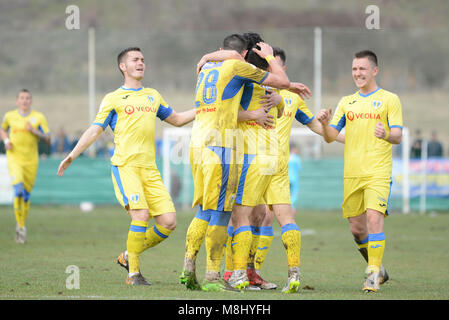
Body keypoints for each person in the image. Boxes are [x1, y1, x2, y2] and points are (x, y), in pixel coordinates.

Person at [57, 47, 196, 286]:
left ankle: (126, 256)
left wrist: (207, 108)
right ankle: (133, 275)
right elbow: (94, 130)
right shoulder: (113, 98)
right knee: (140, 215)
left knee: (169, 222)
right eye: (135, 59)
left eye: (143, 59)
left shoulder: (153, 95)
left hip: (150, 170)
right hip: (126, 167)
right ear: (123, 66)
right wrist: (72, 155)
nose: (141, 62)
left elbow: (178, 119)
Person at [179, 34, 291, 292]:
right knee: (222, 212)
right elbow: (282, 81)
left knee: (204, 210)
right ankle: (212, 278)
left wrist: (207, 55)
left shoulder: (207, 67)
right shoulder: (239, 66)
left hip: (197, 141)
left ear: (221, 50)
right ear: (244, 55)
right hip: (221, 143)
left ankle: (188, 267)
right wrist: (270, 56)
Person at [316, 50, 402, 293]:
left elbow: (398, 135)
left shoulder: (389, 99)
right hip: (352, 173)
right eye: (354, 69)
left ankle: (373, 275)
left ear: (375, 70)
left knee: (375, 220)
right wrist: (324, 124)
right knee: (357, 229)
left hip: (378, 172)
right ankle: (379, 268)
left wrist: (385, 133)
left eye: (362, 69)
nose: (358, 73)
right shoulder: (346, 102)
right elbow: (330, 137)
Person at [1, 89, 51, 244]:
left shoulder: (38, 117)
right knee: (19, 191)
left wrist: (35, 131)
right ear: (17, 101)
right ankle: (21, 227)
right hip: (15, 159)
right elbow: (2, 129)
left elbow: (48, 139)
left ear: (31, 101)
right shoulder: (10, 116)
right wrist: (6, 141)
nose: (25, 100)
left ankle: (21, 223)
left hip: (31, 161)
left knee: (27, 196)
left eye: (27, 98)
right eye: (22, 98)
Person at [288, 143, 302, 215]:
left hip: (286, 178)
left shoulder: (286, 156)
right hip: (294, 179)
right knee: (294, 194)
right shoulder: (296, 158)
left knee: (286, 195)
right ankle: (291, 208)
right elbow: (299, 168)